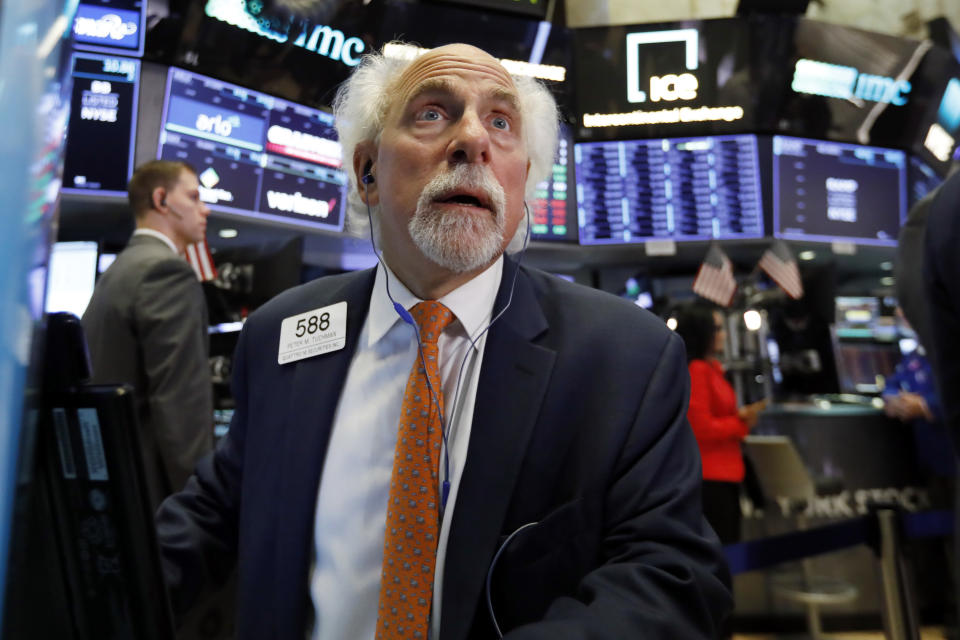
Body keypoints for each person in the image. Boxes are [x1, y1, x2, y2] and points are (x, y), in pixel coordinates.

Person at [156, 43, 731, 640]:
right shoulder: (281, 333)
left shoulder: (623, 358)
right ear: (367, 171)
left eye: (501, 122)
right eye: (432, 112)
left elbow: (672, 576)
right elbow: (213, 517)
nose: (473, 141)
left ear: (523, 179)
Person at [82, 160, 214, 511]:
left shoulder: (121, 269)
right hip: (153, 496)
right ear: (161, 200)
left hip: (116, 482)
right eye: (194, 196)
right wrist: (204, 503)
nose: (206, 208)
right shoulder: (167, 272)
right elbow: (180, 406)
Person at [673, 303, 765, 545]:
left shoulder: (711, 369)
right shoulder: (697, 370)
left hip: (725, 474)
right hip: (710, 477)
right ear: (701, 332)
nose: (723, 334)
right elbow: (700, 428)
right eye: (717, 328)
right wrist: (740, 424)